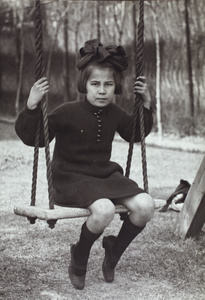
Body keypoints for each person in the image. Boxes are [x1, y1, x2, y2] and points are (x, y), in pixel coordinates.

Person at [15, 39, 155, 290]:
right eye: (95, 84)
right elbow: (34, 138)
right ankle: (79, 256)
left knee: (145, 206)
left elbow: (135, 134)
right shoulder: (66, 111)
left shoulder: (115, 113)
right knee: (104, 210)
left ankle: (113, 252)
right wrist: (31, 105)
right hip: (70, 178)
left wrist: (146, 103)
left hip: (103, 176)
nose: (102, 91)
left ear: (116, 87)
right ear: (84, 85)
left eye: (108, 85)